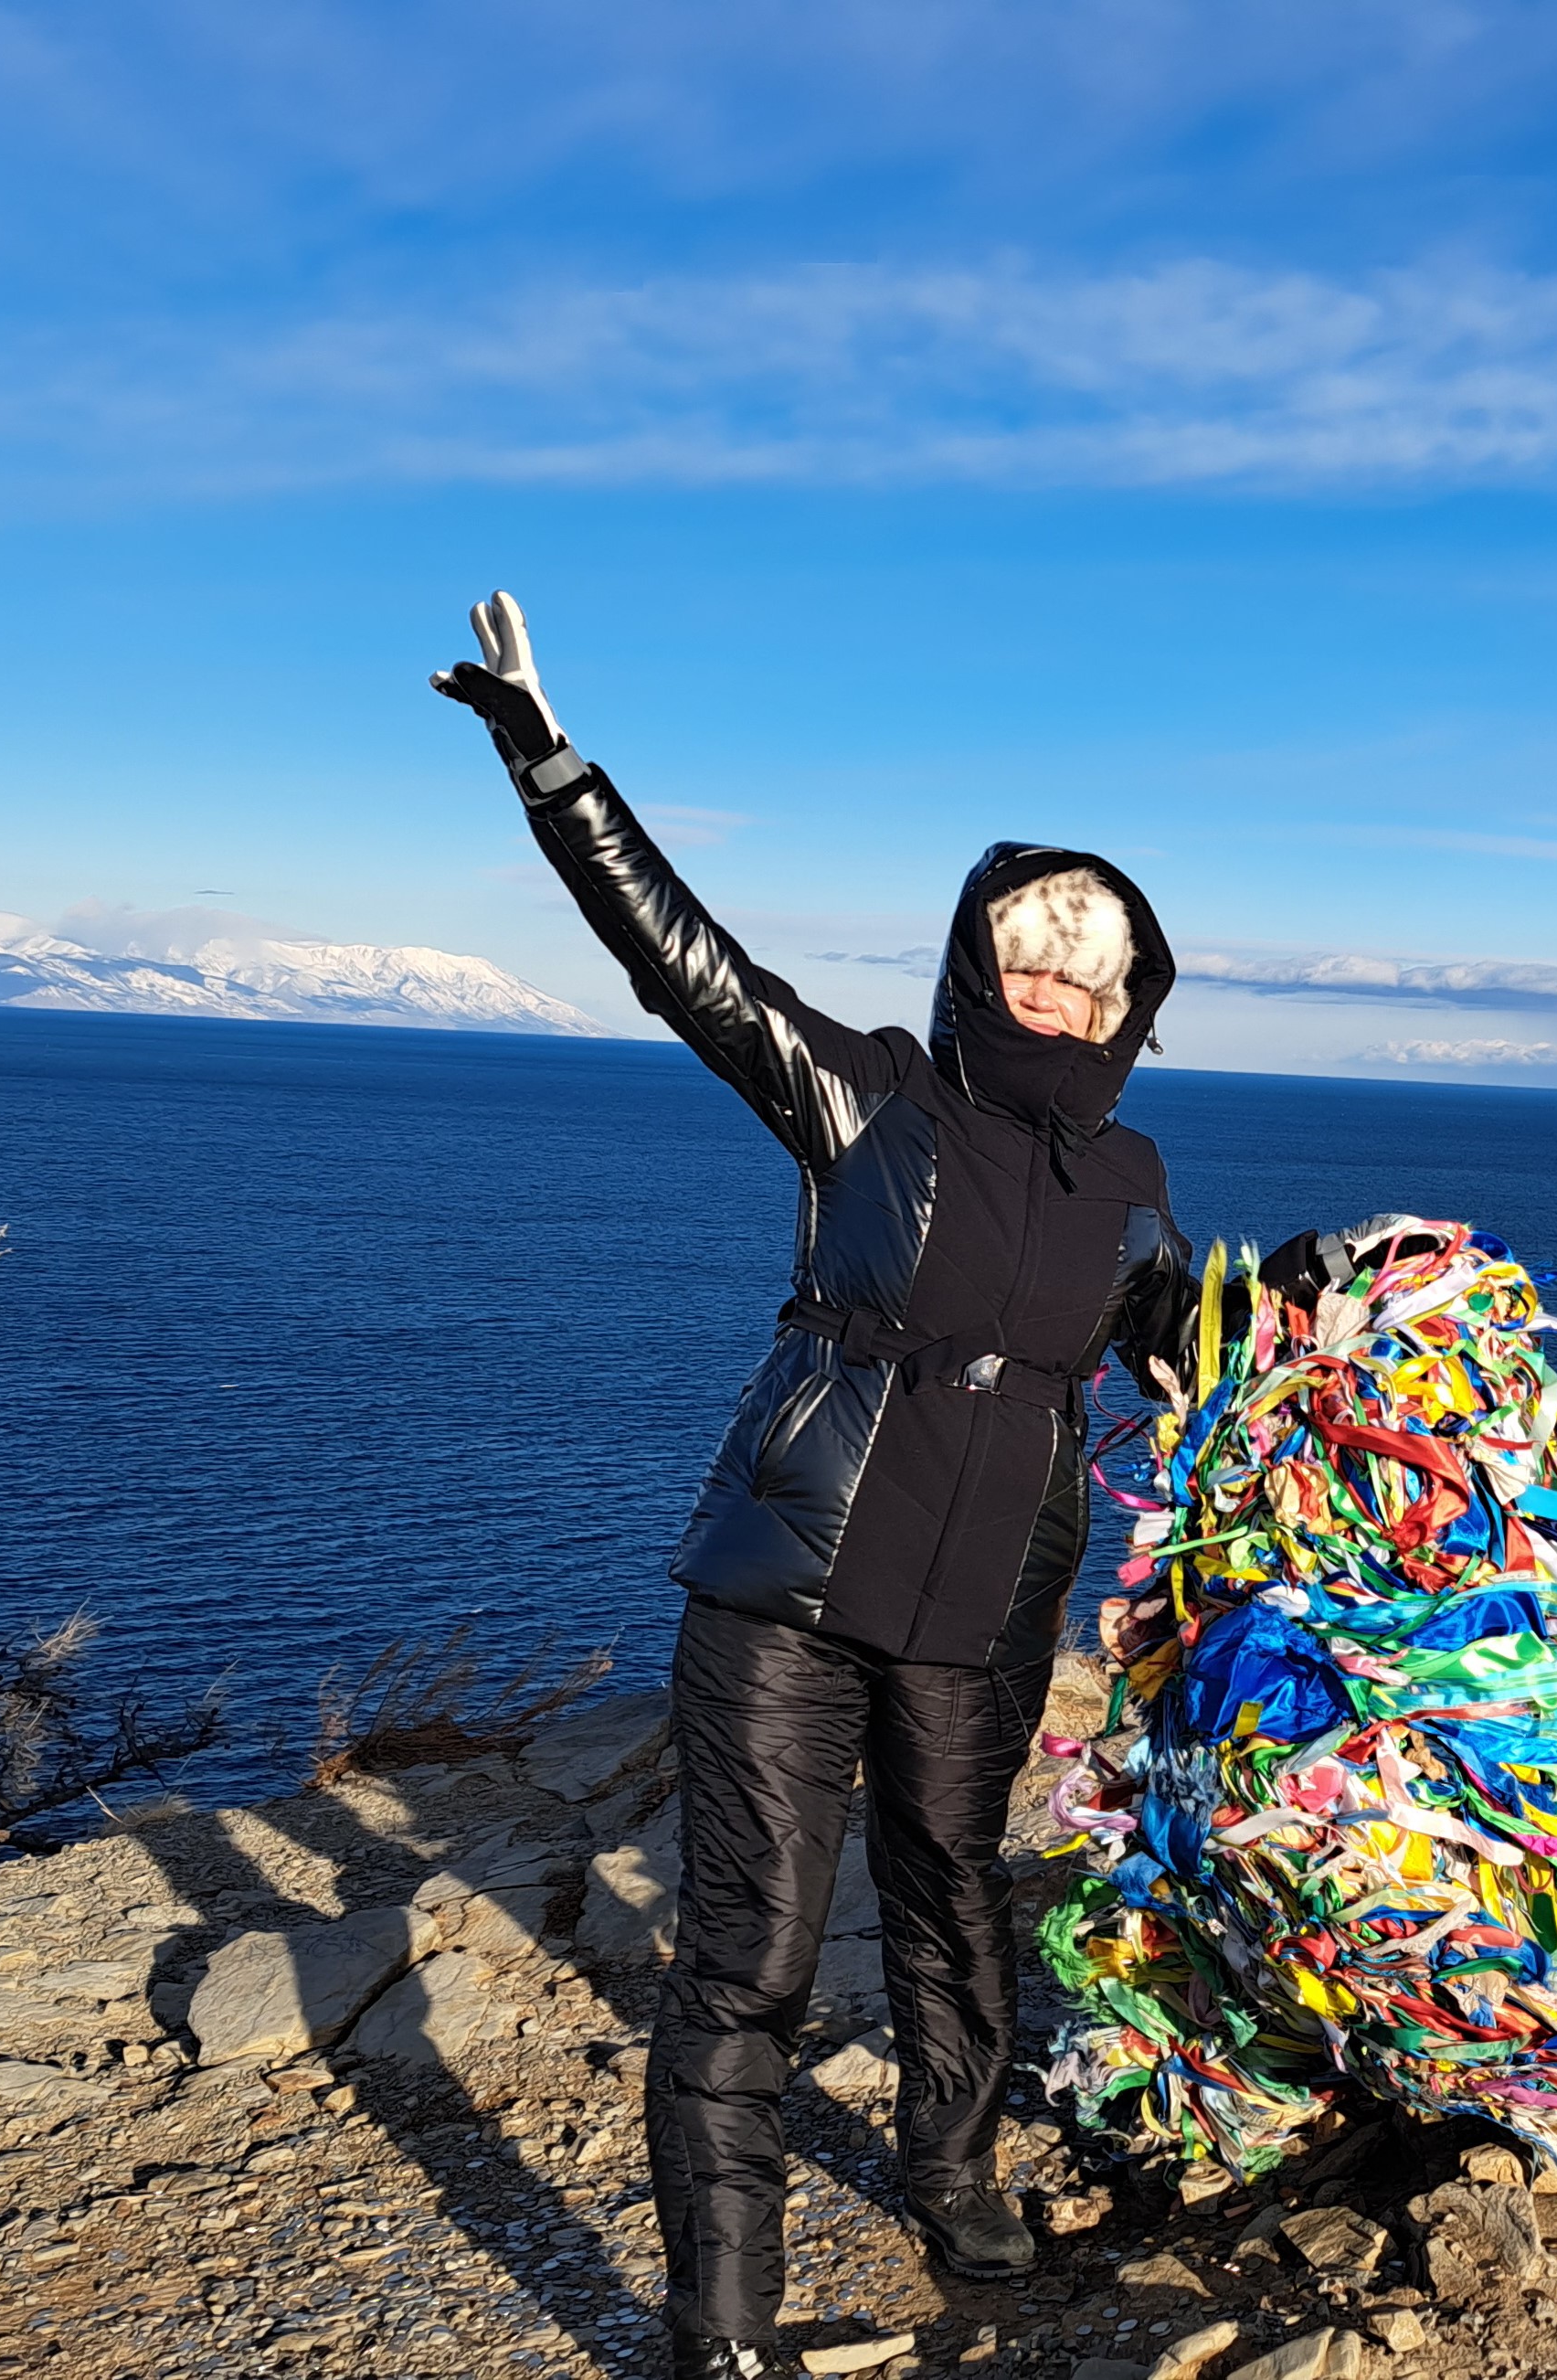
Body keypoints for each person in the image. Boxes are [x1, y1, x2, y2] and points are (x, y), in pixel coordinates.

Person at [432, 593, 1192, 2380]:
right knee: (749, 1958)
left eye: (1094, 970)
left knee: (951, 1902)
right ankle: (721, 2332)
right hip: (790, 1576)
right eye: (1033, 954)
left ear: (1130, 1002)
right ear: (974, 960)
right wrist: (556, 769)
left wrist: (1360, 1304)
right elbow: (682, 963)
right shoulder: (869, 1098)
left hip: (993, 1598)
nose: (1059, 989)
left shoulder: (1137, 1177)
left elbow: (1192, 1322)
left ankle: (950, 2169)